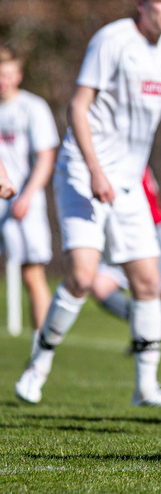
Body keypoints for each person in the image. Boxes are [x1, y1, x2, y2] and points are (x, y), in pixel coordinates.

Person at [15, 0, 161, 408]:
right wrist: (95, 169)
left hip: (130, 184)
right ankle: (38, 366)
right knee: (79, 275)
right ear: (141, 4)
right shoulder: (112, 40)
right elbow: (78, 106)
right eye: (160, 2)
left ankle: (145, 387)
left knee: (149, 283)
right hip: (83, 172)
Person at [0, 46, 59, 333]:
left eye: (8, 75)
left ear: (19, 75)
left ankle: (42, 346)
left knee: (32, 273)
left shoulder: (33, 107)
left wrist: (26, 196)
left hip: (22, 203)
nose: (3, 81)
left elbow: (45, 158)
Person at [92, 167, 161, 321]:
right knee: (101, 286)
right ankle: (147, 330)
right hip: (122, 234)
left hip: (153, 231)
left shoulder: (129, 160)